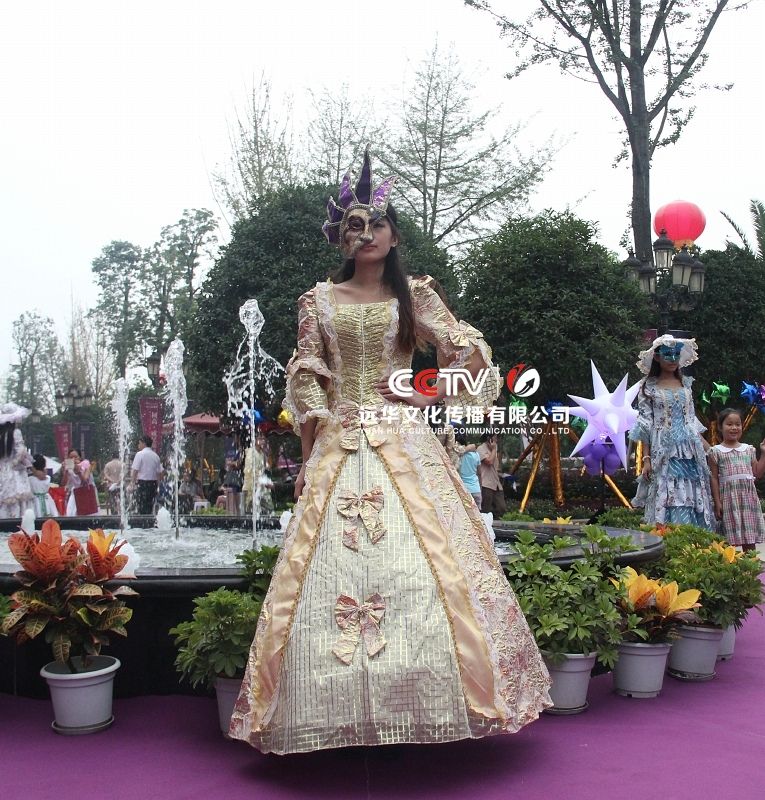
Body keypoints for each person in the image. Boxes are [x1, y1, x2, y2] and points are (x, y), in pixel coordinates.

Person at [229, 151, 551, 755]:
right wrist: (307, 458)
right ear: (341, 237)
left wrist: (426, 391)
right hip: (339, 446)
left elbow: (468, 349)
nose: (367, 233)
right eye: (355, 225)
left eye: (378, 224)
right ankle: (326, 710)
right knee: (320, 570)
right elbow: (308, 377)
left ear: (394, 236)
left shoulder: (416, 296)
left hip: (403, 438)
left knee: (433, 564)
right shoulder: (317, 300)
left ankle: (431, 700)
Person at [630, 334, 715, 529]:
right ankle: (669, 537)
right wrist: (646, 459)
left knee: (693, 492)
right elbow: (646, 425)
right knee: (668, 492)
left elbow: (691, 421)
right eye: (667, 354)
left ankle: (693, 539)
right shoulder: (648, 387)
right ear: (657, 357)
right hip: (663, 449)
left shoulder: (685, 384)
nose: (673, 359)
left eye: (676, 354)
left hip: (689, 450)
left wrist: (710, 450)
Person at [708, 409, 765, 551]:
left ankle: (750, 564)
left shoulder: (748, 450)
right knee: (726, 540)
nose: (734, 428)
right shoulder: (715, 451)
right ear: (720, 427)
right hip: (728, 500)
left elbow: (757, 472)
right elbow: (714, 478)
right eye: (729, 424)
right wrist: (717, 502)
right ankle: (728, 564)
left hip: (748, 500)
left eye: (738, 424)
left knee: (749, 539)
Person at [0, 404, 34, 519]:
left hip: (0, 469)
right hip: (14, 469)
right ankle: (17, 519)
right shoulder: (15, 432)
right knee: (16, 495)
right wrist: (14, 463)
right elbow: (20, 452)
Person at [130, 436, 162, 515]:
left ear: (144, 443)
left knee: (141, 505)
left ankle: (142, 520)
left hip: (143, 483)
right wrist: (158, 486)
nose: (138, 445)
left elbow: (135, 471)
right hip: (153, 484)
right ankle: (149, 520)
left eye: (139, 443)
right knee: (149, 505)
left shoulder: (140, 454)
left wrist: (132, 484)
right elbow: (160, 473)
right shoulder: (155, 456)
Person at [61, 448, 98, 516]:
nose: (74, 459)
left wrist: (79, 472)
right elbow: (64, 483)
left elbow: (85, 482)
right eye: (71, 457)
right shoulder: (70, 468)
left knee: (89, 513)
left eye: (76, 457)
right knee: (70, 512)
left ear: (80, 457)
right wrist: (66, 470)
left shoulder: (86, 464)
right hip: (76, 491)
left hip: (87, 491)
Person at [477, 432, 507, 517]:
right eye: (495, 438)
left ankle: (497, 522)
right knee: (485, 509)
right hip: (486, 484)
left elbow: (493, 468)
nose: (497, 441)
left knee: (501, 508)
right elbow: (489, 462)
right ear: (489, 439)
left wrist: (503, 475)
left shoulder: (493, 450)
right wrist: (494, 449)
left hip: (496, 483)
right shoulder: (481, 449)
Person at [457, 433, 482, 506]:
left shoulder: (456, 455)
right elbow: (479, 474)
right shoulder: (476, 454)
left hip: (463, 489)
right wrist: (480, 490)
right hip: (476, 489)